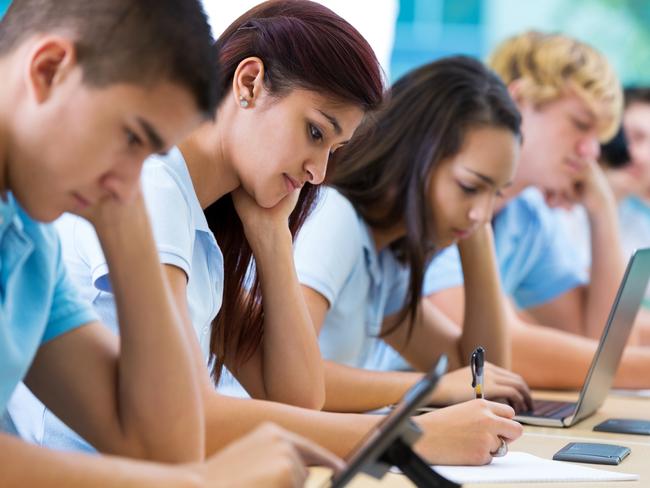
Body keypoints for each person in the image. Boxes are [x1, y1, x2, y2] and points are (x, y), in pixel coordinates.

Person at [14, 2, 522, 467]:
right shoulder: (154, 180)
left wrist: (273, 236)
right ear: (249, 83)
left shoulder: (180, 218)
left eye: (334, 149)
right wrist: (404, 435)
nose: (320, 172)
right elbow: (190, 425)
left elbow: (287, 398)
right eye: (316, 133)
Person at [0, 1, 342, 486]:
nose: (131, 182)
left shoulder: (30, 244)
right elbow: (177, 468)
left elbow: (166, 446)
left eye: (152, 154)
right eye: (131, 138)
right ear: (50, 69)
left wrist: (126, 223)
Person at [293, 55, 533, 414]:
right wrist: (428, 387)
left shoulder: (384, 254)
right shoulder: (334, 217)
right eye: (470, 186)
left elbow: (480, 380)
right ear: (413, 154)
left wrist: (477, 237)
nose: (482, 213)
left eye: (495, 193)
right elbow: (289, 380)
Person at [423, 32, 650, 389]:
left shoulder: (528, 216)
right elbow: (491, 354)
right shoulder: (444, 192)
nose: (590, 151)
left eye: (598, 135)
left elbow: (598, 340)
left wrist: (601, 211)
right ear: (519, 101)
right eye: (580, 124)